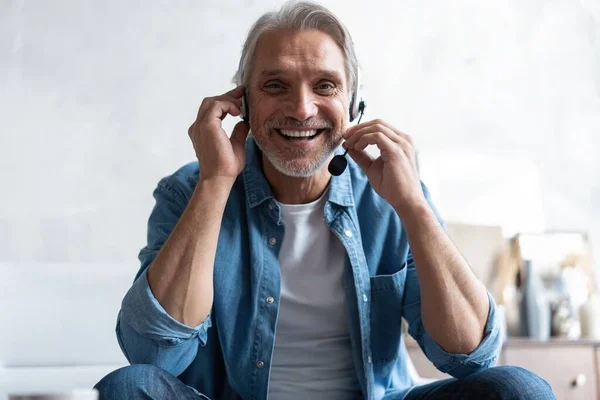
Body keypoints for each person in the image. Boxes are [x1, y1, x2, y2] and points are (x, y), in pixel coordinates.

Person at [94, 1, 555, 399]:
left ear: (354, 104)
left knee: (519, 390)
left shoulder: (392, 195)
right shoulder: (188, 191)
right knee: (124, 389)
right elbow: (153, 353)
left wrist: (413, 206)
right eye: (275, 85)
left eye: (325, 85)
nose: (301, 108)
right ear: (243, 104)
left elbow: (470, 356)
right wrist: (216, 183)